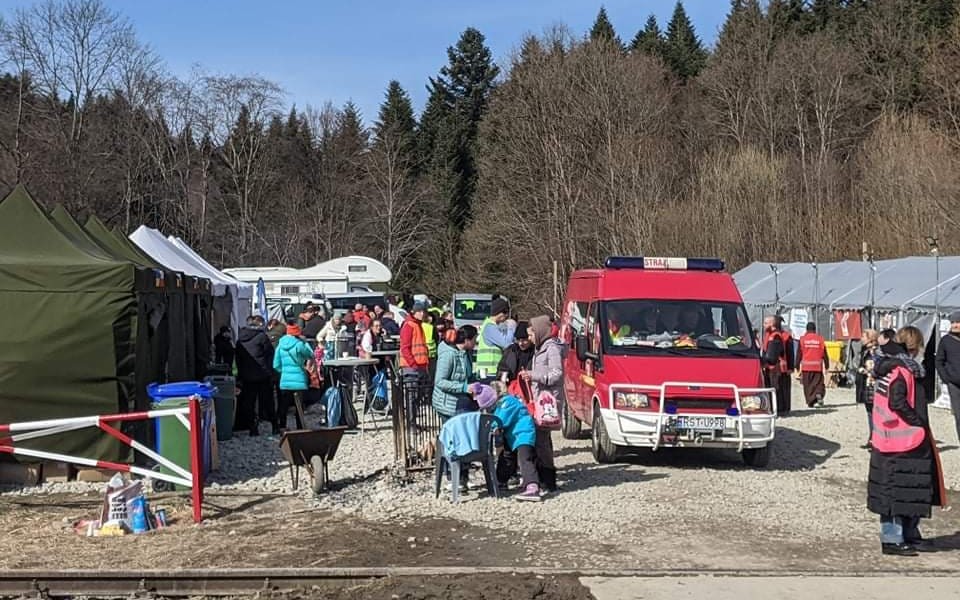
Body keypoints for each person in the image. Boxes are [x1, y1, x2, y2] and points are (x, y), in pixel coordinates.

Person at [867, 326, 945, 556]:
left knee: (909, 489)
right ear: (915, 346)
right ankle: (892, 538)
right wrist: (917, 422)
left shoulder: (891, 367)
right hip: (902, 440)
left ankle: (909, 534)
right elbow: (897, 401)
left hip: (894, 439)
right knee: (895, 491)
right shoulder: (902, 370)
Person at [473, 383, 542, 502]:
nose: (490, 410)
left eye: (490, 408)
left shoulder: (507, 402)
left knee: (525, 459)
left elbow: (501, 420)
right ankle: (501, 480)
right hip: (514, 437)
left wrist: (493, 426)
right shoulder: (502, 405)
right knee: (506, 457)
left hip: (524, 433)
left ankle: (532, 485)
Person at [523, 315, 560, 493]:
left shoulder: (551, 349)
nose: (529, 338)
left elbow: (557, 373)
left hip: (547, 402)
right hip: (539, 400)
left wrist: (534, 376)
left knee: (542, 441)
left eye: (531, 335)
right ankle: (545, 477)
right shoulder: (540, 348)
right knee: (542, 440)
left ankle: (548, 478)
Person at [234, 316, 275, 436]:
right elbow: (270, 354)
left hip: (247, 376)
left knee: (249, 403)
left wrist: (241, 375)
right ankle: (274, 426)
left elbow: (238, 360)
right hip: (263, 375)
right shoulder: (262, 337)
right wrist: (270, 371)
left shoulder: (240, 340)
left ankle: (252, 428)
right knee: (267, 401)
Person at [272, 321, 313, 434]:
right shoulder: (299, 344)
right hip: (299, 379)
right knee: (298, 405)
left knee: (283, 405)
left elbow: (275, 365)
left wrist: (284, 371)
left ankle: (282, 427)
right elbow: (310, 355)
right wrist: (305, 343)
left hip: (285, 380)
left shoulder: (280, 345)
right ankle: (300, 427)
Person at [433, 325, 479, 420]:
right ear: (467, 340)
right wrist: (464, 387)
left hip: (460, 402)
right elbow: (439, 381)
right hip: (447, 404)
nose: (476, 342)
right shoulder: (448, 355)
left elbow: (465, 375)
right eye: (474, 339)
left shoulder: (467, 353)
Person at [399, 301, 431, 430]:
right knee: (412, 397)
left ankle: (413, 422)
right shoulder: (409, 325)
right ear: (415, 312)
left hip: (420, 366)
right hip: (412, 367)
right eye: (421, 311)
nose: (423, 314)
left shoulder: (417, 325)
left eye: (424, 311)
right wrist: (413, 364)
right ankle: (410, 424)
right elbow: (405, 348)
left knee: (417, 396)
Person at [475, 298, 517, 378]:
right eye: (506, 314)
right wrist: (511, 328)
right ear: (501, 313)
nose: (507, 318)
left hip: (488, 372)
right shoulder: (490, 327)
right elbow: (507, 343)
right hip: (490, 372)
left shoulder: (489, 325)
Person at [935, 310, 960, 445]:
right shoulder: (946, 340)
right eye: (953, 322)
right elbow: (939, 361)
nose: (955, 325)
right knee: (959, 415)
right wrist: (946, 378)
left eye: (958, 322)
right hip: (954, 384)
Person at [856, 329, 879, 448]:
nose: (861, 339)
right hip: (866, 384)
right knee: (870, 413)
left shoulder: (876, 352)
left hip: (874, 384)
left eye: (863, 336)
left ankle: (876, 439)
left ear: (870, 338)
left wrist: (867, 371)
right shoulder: (865, 352)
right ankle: (871, 438)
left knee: (875, 414)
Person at [798, 322, 829, 408]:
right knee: (818, 383)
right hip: (817, 367)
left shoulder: (802, 339)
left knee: (808, 386)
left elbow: (799, 354)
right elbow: (824, 354)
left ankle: (810, 401)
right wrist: (827, 365)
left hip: (806, 367)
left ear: (806, 330)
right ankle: (818, 393)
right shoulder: (820, 339)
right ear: (815, 330)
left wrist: (796, 365)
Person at [761, 316, 788, 414]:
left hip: (775, 368)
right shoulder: (770, 335)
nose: (763, 325)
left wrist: (763, 361)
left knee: (774, 389)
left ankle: (777, 409)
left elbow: (772, 356)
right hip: (771, 367)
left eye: (765, 323)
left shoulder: (775, 336)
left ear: (772, 324)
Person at [422, 312, 439, 383]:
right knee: (431, 375)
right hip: (431, 354)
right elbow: (436, 339)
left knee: (423, 374)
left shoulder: (419, 325)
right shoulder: (431, 327)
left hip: (421, 353)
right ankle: (429, 391)